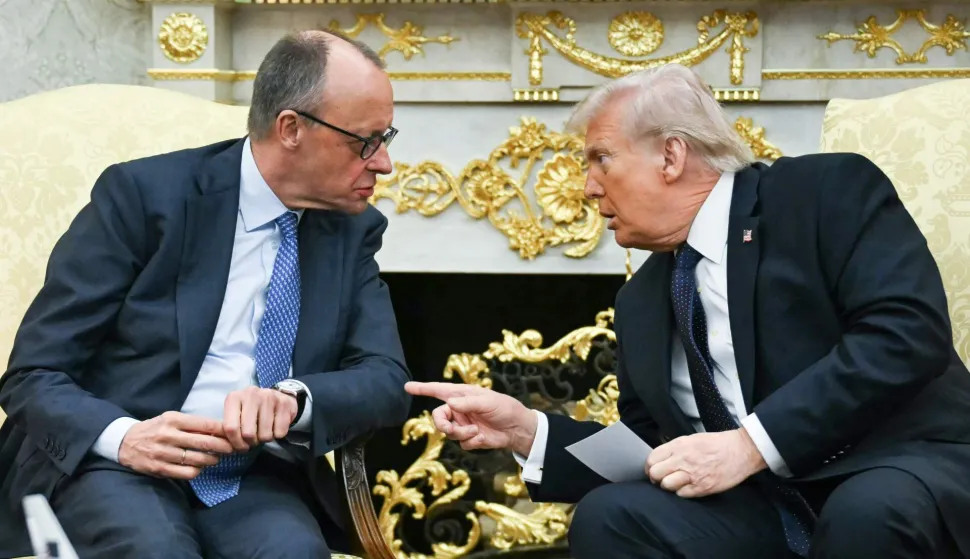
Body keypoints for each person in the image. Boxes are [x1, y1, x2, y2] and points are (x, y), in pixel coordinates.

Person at [405, 63, 970, 559]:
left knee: (864, 514)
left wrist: (749, 446)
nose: (586, 188)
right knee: (613, 517)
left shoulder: (822, 192)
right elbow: (649, 448)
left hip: (895, 466)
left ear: (671, 155)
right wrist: (529, 432)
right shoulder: (644, 298)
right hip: (766, 507)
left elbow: (904, 335)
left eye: (601, 159)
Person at [0, 29, 411, 558]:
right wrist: (126, 437)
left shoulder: (350, 232)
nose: (383, 164)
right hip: (115, 464)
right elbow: (34, 374)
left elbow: (385, 379)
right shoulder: (146, 199)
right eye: (365, 141)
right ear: (291, 128)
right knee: (157, 550)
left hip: (250, 475)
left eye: (386, 138)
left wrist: (295, 401)